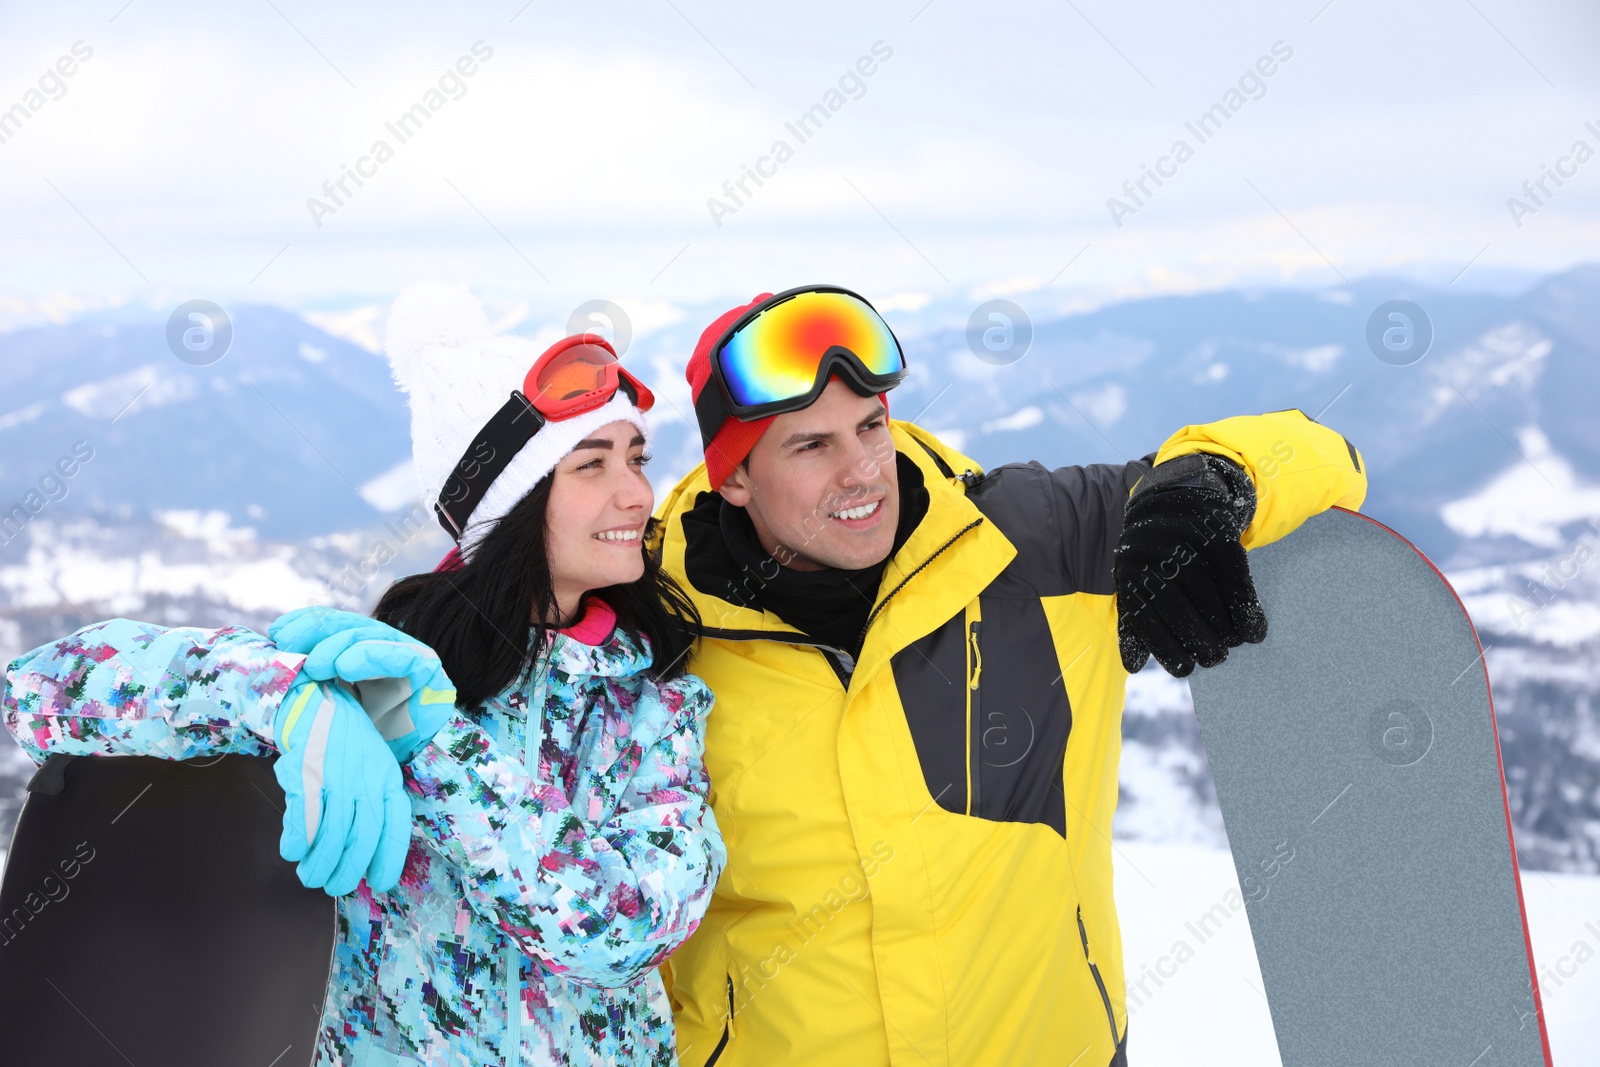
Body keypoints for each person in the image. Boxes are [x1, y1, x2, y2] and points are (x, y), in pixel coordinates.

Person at [3, 283, 726, 1067]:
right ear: (505, 503)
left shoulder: (654, 706)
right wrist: (286, 699)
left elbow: (619, 930)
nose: (637, 491)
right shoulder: (375, 669)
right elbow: (42, 690)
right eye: (592, 464)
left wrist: (439, 750)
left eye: (636, 456)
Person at [651, 285, 1369, 1066]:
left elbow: (1324, 448)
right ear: (734, 479)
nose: (863, 471)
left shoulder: (1028, 544)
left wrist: (1208, 484)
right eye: (811, 445)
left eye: (870, 426)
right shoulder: (655, 632)